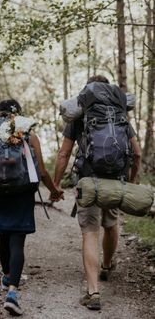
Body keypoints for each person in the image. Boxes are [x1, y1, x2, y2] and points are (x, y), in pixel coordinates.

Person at [52, 75, 141, 311]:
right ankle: (107, 264)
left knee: (90, 232)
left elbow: (63, 154)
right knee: (111, 224)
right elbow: (138, 153)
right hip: (115, 178)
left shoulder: (80, 114)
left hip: (88, 180)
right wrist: (130, 181)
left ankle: (93, 292)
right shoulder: (118, 114)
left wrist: (56, 185)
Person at [0, 99, 63, 316]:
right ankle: (12, 292)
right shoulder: (28, 135)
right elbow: (41, 172)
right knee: (17, 241)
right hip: (22, 194)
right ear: (18, 114)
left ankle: (6, 276)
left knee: (3, 237)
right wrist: (54, 190)